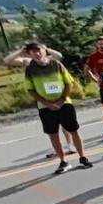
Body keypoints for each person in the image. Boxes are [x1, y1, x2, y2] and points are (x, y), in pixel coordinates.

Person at [23, 42, 91, 174]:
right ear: (29, 54)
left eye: (38, 50)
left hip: (64, 103)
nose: (36, 53)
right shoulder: (30, 69)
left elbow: (68, 82)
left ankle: (82, 157)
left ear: (44, 50)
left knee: (73, 130)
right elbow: (30, 89)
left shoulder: (56, 64)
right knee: (53, 134)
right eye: (32, 52)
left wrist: (61, 100)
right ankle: (63, 161)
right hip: (45, 107)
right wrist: (47, 103)